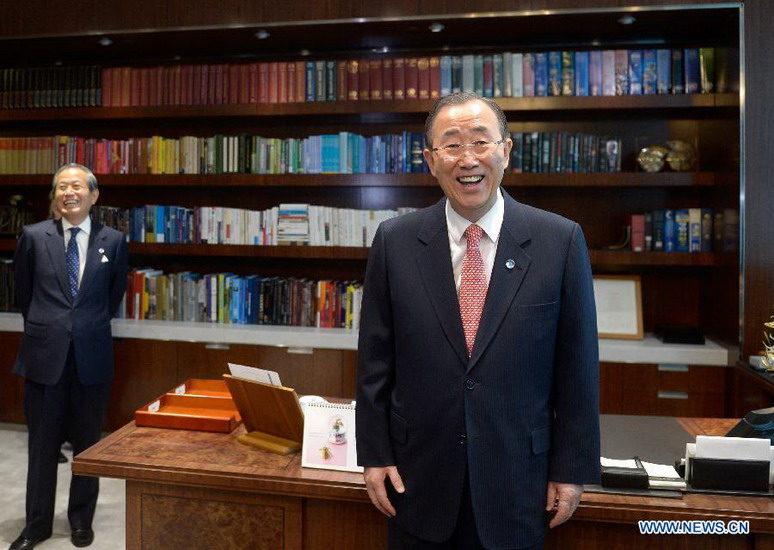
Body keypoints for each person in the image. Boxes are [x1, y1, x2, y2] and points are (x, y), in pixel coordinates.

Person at [356, 92, 600, 549]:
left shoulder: (559, 240)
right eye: (451, 145)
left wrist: (571, 468)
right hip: (416, 479)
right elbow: (374, 363)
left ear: (506, 151)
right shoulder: (395, 241)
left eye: (481, 142)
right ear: (430, 160)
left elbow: (578, 369)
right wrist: (374, 454)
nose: (467, 159)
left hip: (518, 483)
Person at [10, 163, 129, 550]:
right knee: (42, 448)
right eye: (62, 187)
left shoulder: (113, 241)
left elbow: (111, 298)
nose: (69, 192)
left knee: (88, 447)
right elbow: (24, 295)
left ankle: (81, 520)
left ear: (94, 195)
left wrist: (83, 326)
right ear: (55, 196)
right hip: (45, 356)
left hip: (91, 358)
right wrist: (53, 327)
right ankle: (36, 525)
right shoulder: (33, 236)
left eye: (77, 186)